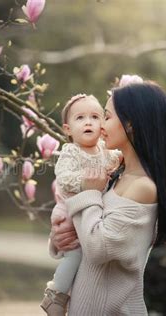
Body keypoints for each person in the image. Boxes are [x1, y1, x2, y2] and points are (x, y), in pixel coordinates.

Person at [49, 76, 166, 315]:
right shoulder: (117, 177)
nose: (100, 126)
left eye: (107, 117)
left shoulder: (143, 187)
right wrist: (61, 237)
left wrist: (89, 191)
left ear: (130, 124)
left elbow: (98, 248)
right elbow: (91, 230)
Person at [40, 94, 121, 316]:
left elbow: (120, 157)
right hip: (68, 209)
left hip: (90, 210)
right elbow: (63, 177)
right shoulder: (71, 151)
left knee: (87, 255)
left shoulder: (105, 150)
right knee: (74, 254)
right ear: (68, 129)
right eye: (80, 118)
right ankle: (56, 294)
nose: (88, 122)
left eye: (95, 117)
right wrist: (85, 183)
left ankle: (75, 295)